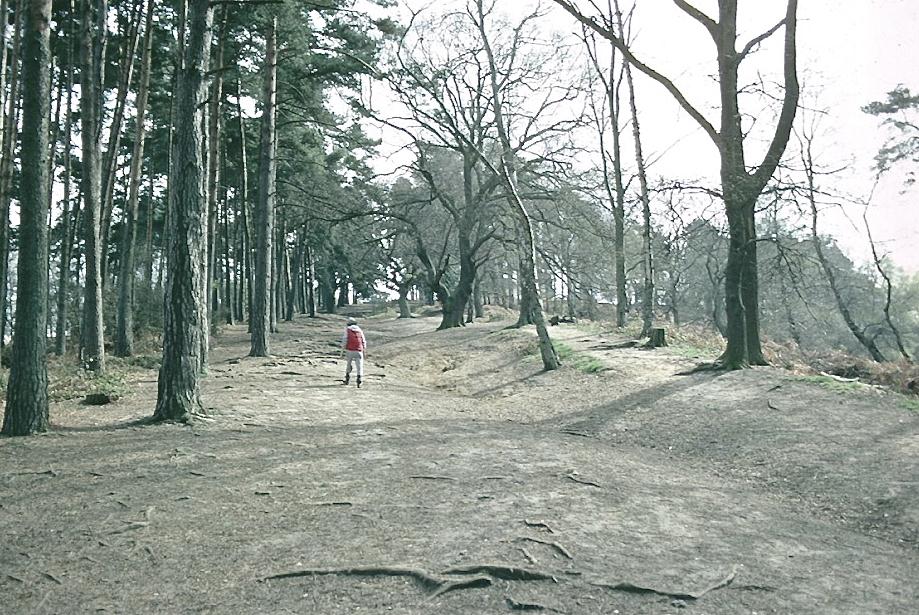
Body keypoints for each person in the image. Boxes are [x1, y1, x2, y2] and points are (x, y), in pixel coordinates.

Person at [341, 318, 367, 387]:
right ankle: (359, 380)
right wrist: (364, 349)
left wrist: (343, 349)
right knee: (359, 366)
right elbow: (363, 340)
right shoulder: (359, 330)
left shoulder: (347, 329)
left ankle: (347, 379)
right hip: (359, 350)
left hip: (350, 349)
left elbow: (345, 339)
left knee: (348, 364)